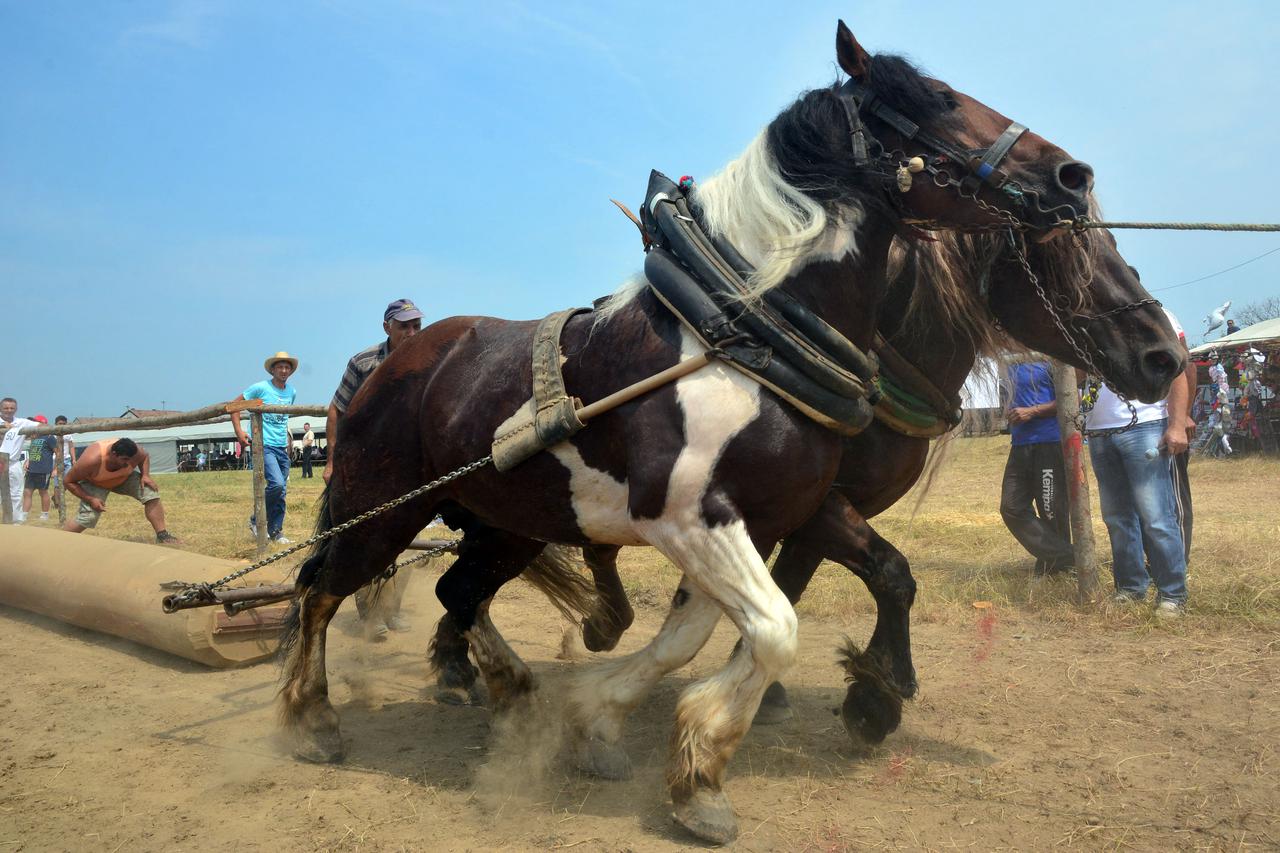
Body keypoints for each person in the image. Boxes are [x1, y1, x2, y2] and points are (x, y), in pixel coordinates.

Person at [1084, 308, 1194, 617]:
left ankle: (1173, 593)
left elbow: (1178, 372)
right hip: (1100, 430)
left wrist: (1176, 424)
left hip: (1145, 425)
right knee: (1117, 518)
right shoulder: (1088, 320)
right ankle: (1131, 587)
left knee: (1156, 516)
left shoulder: (1158, 316)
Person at [328, 298, 423, 639]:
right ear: (388, 328)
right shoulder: (363, 362)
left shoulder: (431, 359)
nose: (412, 332)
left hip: (409, 464)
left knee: (409, 538)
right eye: (404, 326)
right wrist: (332, 462)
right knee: (364, 538)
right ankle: (371, 616)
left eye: (416, 325)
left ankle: (392, 609)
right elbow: (337, 410)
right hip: (366, 463)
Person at [999, 359, 1073, 576]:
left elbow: (1071, 398)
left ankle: (1054, 568)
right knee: (1011, 507)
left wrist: (1032, 411)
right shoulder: (1008, 363)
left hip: (1048, 442)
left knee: (1051, 510)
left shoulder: (1049, 361)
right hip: (1020, 444)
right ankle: (1072, 557)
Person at [230, 352, 298, 544]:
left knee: (282, 490)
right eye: (280, 367)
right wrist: (239, 432)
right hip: (264, 445)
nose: (284, 370)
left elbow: (283, 421)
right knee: (276, 484)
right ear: (273, 369)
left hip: (281, 447)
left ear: (291, 371)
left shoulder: (291, 392)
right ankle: (256, 520)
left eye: (287, 367)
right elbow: (234, 405)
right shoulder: (260, 387)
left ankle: (276, 531)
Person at [62, 437, 180, 544]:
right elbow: (68, 482)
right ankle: (59, 539)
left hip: (123, 478)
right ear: (113, 454)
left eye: (131, 460)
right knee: (89, 517)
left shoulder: (135, 452)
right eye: (125, 459)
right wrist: (91, 499)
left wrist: (145, 475)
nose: (128, 463)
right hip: (95, 482)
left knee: (150, 493)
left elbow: (144, 456)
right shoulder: (91, 460)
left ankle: (163, 535)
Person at [1, 397, 37, 523]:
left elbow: (42, 426)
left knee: (16, 494)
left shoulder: (22, 422)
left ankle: (16, 523)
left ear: (16, 409)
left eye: (12, 408)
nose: (9, 410)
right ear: (1, 408)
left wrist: (37, 431)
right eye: (6, 408)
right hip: (0, 462)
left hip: (14, 462)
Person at [21, 415, 57, 523]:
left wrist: (55, 469)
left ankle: (44, 514)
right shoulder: (34, 436)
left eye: (38, 423)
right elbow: (33, 451)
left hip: (43, 469)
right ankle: (24, 515)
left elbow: (58, 453)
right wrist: (28, 461)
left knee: (43, 492)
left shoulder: (50, 437)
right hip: (32, 469)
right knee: (27, 492)